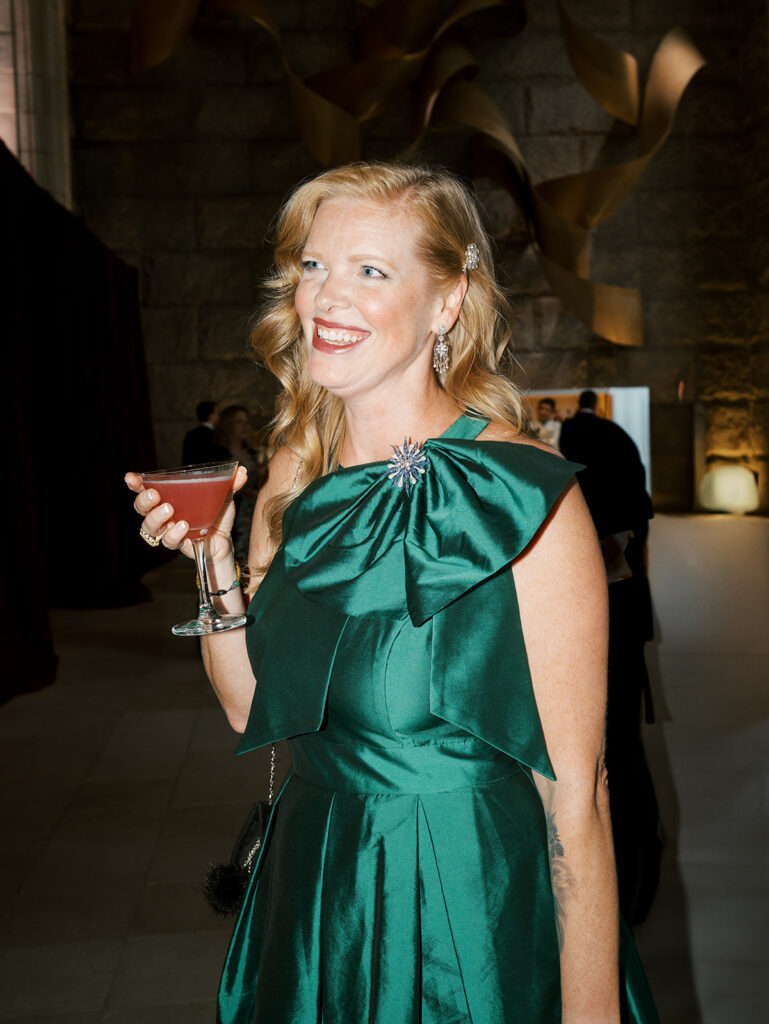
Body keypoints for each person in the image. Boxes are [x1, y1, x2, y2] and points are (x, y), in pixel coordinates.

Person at [126, 163, 658, 1023]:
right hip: (314, 892)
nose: (325, 299)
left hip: (465, 904)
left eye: (369, 271)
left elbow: (578, 798)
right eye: (312, 266)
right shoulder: (293, 474)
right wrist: (213, 559)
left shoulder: (523, 501)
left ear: (447, 302)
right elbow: (250, 705)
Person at [560, 390, 662, 925]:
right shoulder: (614, 441)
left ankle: (625, 883)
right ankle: (635, 878)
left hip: (604, 624)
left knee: (611, 752)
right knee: (623, 748)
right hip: (624, 616)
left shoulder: (584, 449)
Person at [214, 404, 265, 566]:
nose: (245, 426)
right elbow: (216, 486)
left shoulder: (250, 452)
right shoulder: (219, 452)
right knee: (236, 555)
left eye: (246, 422)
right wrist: (242, 491)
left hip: (253, 511)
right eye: (239, 422)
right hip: (232, 512)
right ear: (228, 424)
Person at [182, 400, 226, 464]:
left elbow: (186, 460)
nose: (219, 416)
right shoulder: (216, 435)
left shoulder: (191, 434)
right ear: (211, 416)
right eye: (217, 413)